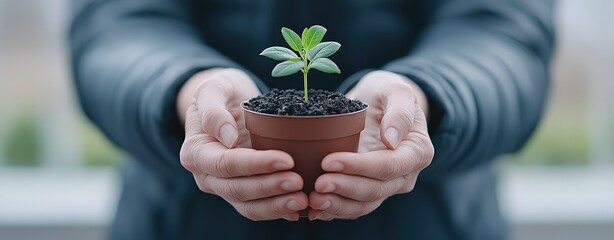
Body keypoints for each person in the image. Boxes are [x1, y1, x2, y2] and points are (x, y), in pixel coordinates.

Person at [69, 0, 555, 239]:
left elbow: (503, 33)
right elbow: (116, 26)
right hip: (181, 221)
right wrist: (187, 89)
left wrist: (427, 96)